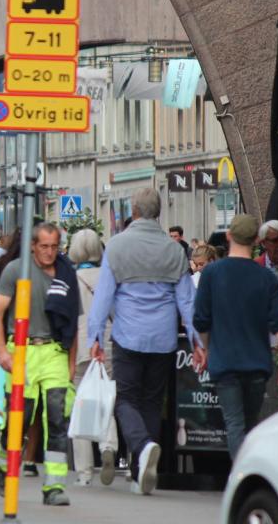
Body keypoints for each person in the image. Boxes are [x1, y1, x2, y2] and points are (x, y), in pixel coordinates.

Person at [87, 188, 199, 497]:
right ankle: (140, 473)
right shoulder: (174, 250)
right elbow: (187, 302)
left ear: (134, 212)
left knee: (124, 399)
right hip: (163, 338)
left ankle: (143, 446)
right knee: (151, 402)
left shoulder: (118, 246)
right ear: (158, 213)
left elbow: (104, 296)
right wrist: (197, 339)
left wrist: (95, 336)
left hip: (128, 335)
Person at [0, 223, 79, 506]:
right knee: (20, 418)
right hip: (22, 351)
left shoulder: (67, 274)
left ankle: (53, 486)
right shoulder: (17, 270)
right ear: (32, 245)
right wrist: (2, 351)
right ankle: (4, 458)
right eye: (44, 246)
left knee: (56, 417)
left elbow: (72, 324)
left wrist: (71, 363)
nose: (50, 252)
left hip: (53, 351)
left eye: (54, 246)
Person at [193, 214, 278, 459]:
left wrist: (206, 349)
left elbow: (201, 320)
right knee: (250, 425)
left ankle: (240, 480)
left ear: (229, 236)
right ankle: (249, 476)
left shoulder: (212, 274)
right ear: (257, 241)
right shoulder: (266, 277)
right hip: (258, 362)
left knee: (234, 424)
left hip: (225, 361)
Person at [68, 228, 118, 487]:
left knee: (83, 402)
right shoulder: (108, 276)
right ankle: (108, 446)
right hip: (108, 343)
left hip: (81, 344)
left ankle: (84, 472)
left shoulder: (71, 279)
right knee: (105, 398)